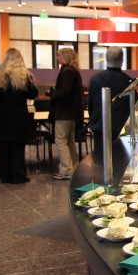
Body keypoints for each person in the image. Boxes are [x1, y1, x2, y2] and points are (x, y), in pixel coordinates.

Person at [0, 48, 38, 184]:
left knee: (3, 148)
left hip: (0, 118)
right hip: (18, 117)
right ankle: (18, 176)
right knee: (18, 148)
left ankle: (5, 176)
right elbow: (33, 94)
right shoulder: (24, 76)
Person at [87, 46, 133, 152]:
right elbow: (133, 106)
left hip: (99, 126)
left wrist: (94, 120)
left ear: (106, 59)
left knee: (99, 155)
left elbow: (90, 104)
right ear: (122, 60)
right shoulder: (127, 81)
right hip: (120, 128)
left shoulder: (95, 79)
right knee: (119, 157)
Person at [50, 48, 83, 181]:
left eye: (58, 55)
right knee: (70, 141)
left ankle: (66, 169)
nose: (57, 58)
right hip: (73, 113)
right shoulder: (74, 71)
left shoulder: (66, 71)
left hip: (64, 112)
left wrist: (53, 95)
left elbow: (65, 91)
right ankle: (74, 167)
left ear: (64, 57)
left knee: (61, 141)